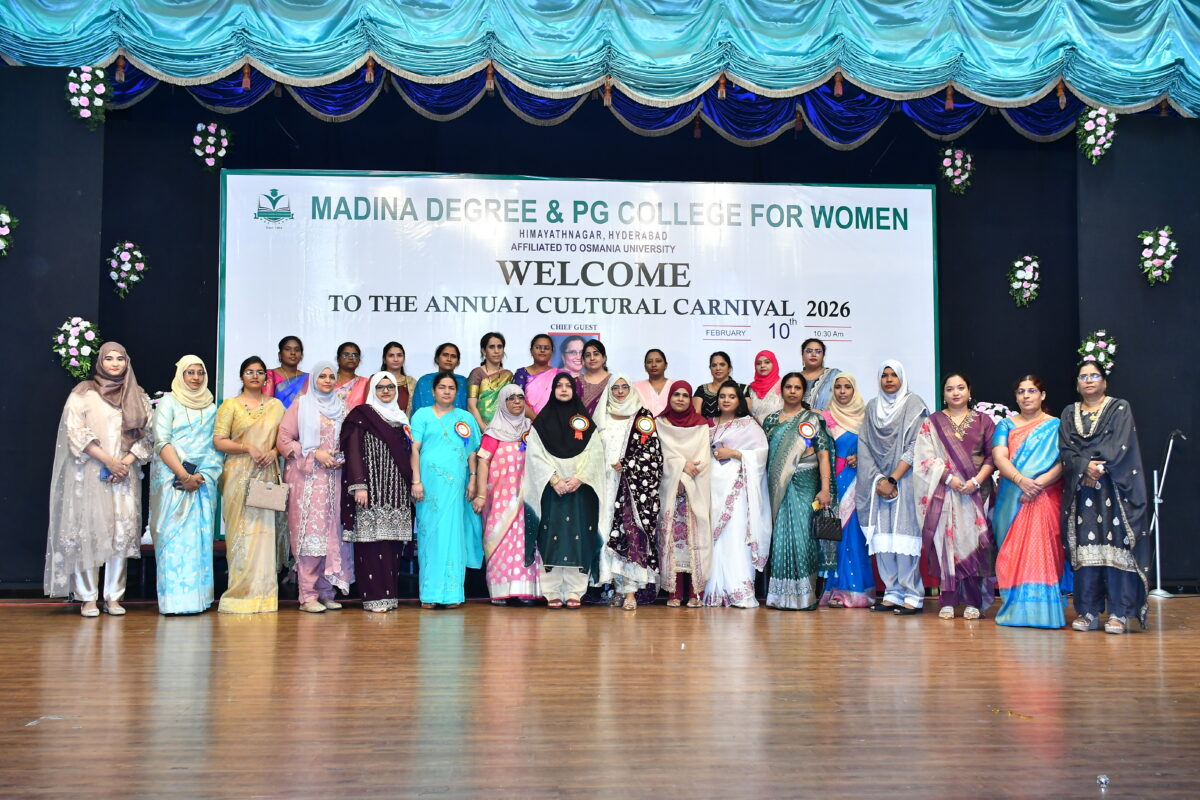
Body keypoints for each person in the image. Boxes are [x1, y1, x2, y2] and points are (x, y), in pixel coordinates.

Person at [45, 342, 153, 617]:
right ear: (100, 362)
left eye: (120, 359)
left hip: (124, 476)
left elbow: (148, 435)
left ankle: (113, 597)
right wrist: (108, 461)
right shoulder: (83, 393)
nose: (115, 363)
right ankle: (88, 598)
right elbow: (75, 432)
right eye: (109, 359)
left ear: (127, 362)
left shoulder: (137, 394)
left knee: (120, 533)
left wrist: (124, 463)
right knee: (89, 532)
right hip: (91, 473)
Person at [1059, 362, 1149, 633]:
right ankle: (1087, 611)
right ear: (1077, 384)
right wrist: (1084, 467)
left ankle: (1119, 613)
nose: (1088, 380)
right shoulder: (1069, 412)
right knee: (1086, 550)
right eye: (1083, 376)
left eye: (1094, 376)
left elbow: (1120, 444)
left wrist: (1095, 468)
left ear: (1104, 382)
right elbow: (1066, 448)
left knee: (1116, 548)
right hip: (1082, 492)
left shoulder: (1119, 407)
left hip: (1115, 489)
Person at [913, 373, 996, 620]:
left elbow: (992, 456)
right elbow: (924, 457)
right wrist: (949, 478)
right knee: (946, 543)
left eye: (961, 388)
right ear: (944, 394)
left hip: (977, 492)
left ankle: (973, 601)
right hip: (944, 490)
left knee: (973, 543)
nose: (956, 393)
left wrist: (975, 481)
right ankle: (947, 599)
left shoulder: (983, 421)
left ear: (969, 391)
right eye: (950, 389)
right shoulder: (932, 422)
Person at [523, 374, 606, 608]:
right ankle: (551, 591)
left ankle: (575, 591)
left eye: (568, 386)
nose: (563, 389)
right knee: (550, 537)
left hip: (580, 490)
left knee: (579, 537)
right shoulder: (541, 423)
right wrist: (554, 479)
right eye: (558, 386)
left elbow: (595, 453)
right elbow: (535, 454)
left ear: (574, 390)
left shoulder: (585, 422)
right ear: (553, 390)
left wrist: (580, 478)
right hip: (551, 489)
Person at [149, 355, 224, 615]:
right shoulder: (168, 402)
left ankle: (197, 600)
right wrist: (183, 475)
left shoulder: (212, 408)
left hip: (201, 484)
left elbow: (216, 448)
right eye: (190, 372)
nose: (195, 377)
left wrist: (201, 476)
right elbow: (161, 441)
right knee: (171, 539)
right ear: (181, 375)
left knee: (198, 541)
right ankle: (173, 603)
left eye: (200, 372)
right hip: (172, 482)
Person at [277, 361, 353, 613]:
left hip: (334, 480)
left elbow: (348, 441)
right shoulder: (301, 405)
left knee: (332, 536)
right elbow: (283, 440)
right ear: (313, 380)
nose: (328, 381)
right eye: (322, 376)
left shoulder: (341, 408)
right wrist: (314, 453)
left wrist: (340, 456)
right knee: (310, 536)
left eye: (331, 376)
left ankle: (325, 591)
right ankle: (307, 595)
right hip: (307, 480)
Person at [991, 374, 1065, 629]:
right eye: (1021, 391)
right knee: (1012, 553)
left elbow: (1063, 461)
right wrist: (1022, 481)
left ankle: (1044, 613)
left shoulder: (1055, 425)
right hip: (1012, 497)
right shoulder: (1006, 425)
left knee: (1043, 551)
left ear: (1042, 395)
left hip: (1045, 496)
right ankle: (1015, 611)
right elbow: (999, 457)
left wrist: (1038, 484)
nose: (1026, 396)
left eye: (1031, 391)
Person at [214, 356, 286, 614]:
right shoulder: (230, 405)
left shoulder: (276, 406)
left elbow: (285, 439)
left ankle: (264, 597)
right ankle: (239, 595)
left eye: (259, 372)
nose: (255, 376)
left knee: (264, 534)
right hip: (238, 475)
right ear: (241, 376)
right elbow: (219, 440)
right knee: (241, 534)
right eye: (249, 371)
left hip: (266, 474)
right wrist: (247, 447)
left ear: (266, 377)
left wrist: (274, 451)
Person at [857, 360, 928, 614]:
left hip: (905, 480)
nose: (888, 379)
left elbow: (917, 445)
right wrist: (879, 480)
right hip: (877, 483)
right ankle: (892, 592)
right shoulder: (872, 407)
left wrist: (893, 478)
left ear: (902, 378)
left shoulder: (914, 404)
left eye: (894, 375)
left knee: (905, 536)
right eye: (884, 375)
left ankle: (913, 594)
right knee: (884, 539)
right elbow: (864, 445)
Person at [340, 372, 415, 613]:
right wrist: (359, 484)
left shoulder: (402, 419)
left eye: (390, 387)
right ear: (373, 389)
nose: (385, 391)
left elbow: (409, 455)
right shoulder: (362, 415)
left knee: (392, 546)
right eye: (380, 387)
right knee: (370, 545)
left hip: (396, 492)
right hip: (370, 492)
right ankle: (373, 597)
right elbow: (352, 450)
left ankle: (390, 596)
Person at [410, 371, 483, 608]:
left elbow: (472, 452)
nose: (447, 391)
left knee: (453, 534)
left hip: (456, 485)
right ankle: (430, 594)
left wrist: (473, 479)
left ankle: (452, 594)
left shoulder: (465, 418)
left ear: (457, 392)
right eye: (442, 387)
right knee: (430, 535)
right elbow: (414, 449)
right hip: (429, 486)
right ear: (433, 391)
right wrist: (416, 481)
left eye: (451, 388)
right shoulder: (422, 415)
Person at [763, 373, 833, 610]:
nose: (792, 391)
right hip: (777, 486)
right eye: (788, 387)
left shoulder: (812, 419)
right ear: (781, 390)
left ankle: (804, 596)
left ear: (803, 392)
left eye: (797, 388)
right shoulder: (771, 420)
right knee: (781, 536)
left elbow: (823, 454)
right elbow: (765, 457)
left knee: (804, 537)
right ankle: (780, 596)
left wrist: (825, 489)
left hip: (806, 483)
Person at [597, 374, 664, 610]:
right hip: (606, 486)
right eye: (615, 387)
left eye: (624, 387)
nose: (620, 391)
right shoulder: (602, 415)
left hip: (632, 489)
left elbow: (653, 454)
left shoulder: (641, 416)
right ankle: (616, 587)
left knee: (631, 534)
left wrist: (628, 464)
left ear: (631, 389)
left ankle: (630, 591)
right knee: (607, 534)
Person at [704, 381, 771, 608]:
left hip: (737, 488)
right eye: (722, 396)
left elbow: (761, 454)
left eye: (731, 396)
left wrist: (733, 452)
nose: (726, 400)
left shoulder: (748, 425)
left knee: (735, 535)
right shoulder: (708, 424)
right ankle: (716, 590)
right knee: (714, 539)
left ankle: (739, 590)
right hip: (712, 487)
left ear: (739, 400)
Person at [474, 384, 541, 604]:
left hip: (527, 498)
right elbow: (483, 463)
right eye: (511, 398)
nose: (517, 402)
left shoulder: (530, 429)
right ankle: (500, 590)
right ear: (503, 403)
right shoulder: (493, 432)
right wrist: (481, 495)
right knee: (499, 539)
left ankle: (523, 589)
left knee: (525, 540)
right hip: (499, 499)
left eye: (520, 398)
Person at [655, 381, 713, 608]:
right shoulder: (660, 424)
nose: (680, 399)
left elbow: (703, 459)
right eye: (676, 395)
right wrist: (678, 470)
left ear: (691, 399)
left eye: (685, 395)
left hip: (694, 490)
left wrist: (685, 477)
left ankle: (696, 591)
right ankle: (675, 591)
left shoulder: (701, 425)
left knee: (695, 538)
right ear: (669, 398)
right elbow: (659, 455)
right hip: (670, 489)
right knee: (672, 539)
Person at [819, 373, 873, 608]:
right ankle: (835, 590)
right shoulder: (824, 418)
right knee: (835, 536)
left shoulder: (865, 417)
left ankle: (856, 591)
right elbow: (815, 448)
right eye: (838, 387)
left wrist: (861, 457)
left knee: (854, 535)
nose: (842, 391)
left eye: (847, 387)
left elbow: (875, 447)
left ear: (854, 389)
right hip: (831, 482)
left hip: (857, 482)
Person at [467, 332, 514, 430]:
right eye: (491, 347)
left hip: (505, 428)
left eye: (500, 347)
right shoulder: (477, 373)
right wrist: (485, 429)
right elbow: (471, 406)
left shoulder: (508, 375)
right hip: (481, 429)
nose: (496, 351)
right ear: (484, 351)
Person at [513, 333, 563, 419]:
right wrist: (538, 421)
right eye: (538, 347)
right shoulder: (521, 373)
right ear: (531, 351)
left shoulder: (559, 375)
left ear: (552, 352)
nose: (542, 350)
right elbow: (517, 400)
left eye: (546, 348)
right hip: (527, 423)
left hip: (554, 421)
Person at [413, 343, 468, 413]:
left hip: (459, 419)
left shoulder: (464, 382)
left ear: (458, 361)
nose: (449, 359)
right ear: (437, 358)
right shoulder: (424, 381)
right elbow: (417, 410)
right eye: (445, 355)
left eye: (453, 356)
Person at [693, 351, 743, 418]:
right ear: (710, 368)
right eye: (714, 365)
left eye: (722, 364)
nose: (718, 368)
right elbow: (695, 416)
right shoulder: (701, 390)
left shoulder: (742, 389)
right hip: (706, 425)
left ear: (729, 368)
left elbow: (745, 414)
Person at [264, 335, 308, 408]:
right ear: (280, 354)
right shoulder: (270, 375)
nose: (293, 353)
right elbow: (265, 404)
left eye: (297, 350)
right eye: (287, 349)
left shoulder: (308, 378)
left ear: (301, 355)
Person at [799, 338, 841, 410]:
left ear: (823, 355)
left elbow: (847, 405)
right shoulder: (793, 379)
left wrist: (824, 414)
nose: (813, 354)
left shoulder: (835, 375)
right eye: (809, 351)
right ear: (802, 354)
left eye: (818, 351)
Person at [575, 339, 612, 417]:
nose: (592, 358)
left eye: (596, 354)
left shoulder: (613, 381)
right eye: (588, 355)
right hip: (579, 423)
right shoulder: (575, 382)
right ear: (583, 360)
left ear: (604, 358)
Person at [380, 341, 417, 416]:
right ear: (384, 359)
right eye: (391, 355)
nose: (396, 359)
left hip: (406, 422)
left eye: (399, 355)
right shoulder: (376, 380)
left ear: (404, 359)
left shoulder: (411, 382)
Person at [746, 350, 783, 424]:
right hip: (754, 429)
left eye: (767, 362)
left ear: (774, 364)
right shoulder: (750, 389)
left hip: (778, 428)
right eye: (758, 363)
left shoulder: (783, 385)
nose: (762, 366)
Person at [633, 348, 672, 416]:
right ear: (645, 367)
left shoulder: (676, 385)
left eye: (658, 361)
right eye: (649, 362)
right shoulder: (635, 387)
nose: (654, 365)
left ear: (666, 365)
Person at [333, 341, 368, 410]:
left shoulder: (366, 383)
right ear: (338, 359)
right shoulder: (328, 381)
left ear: (359, 360)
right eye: (346, 354)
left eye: (355, 355)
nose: (351, 358)